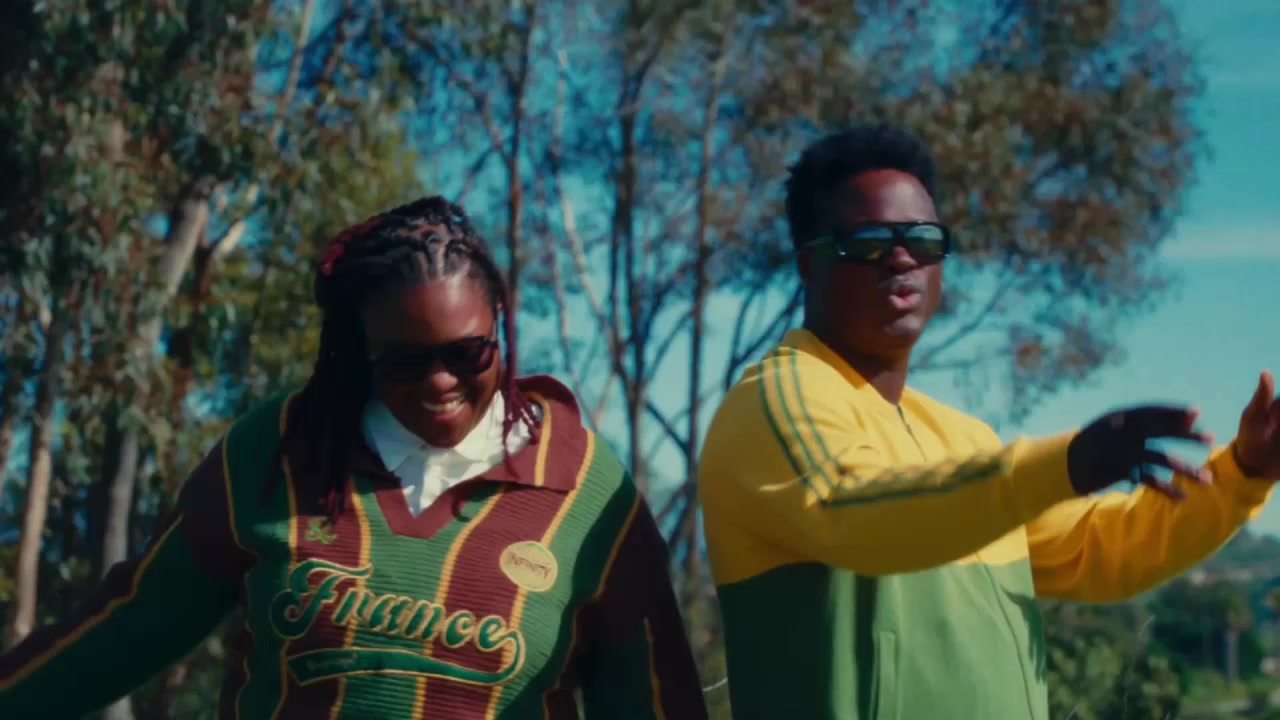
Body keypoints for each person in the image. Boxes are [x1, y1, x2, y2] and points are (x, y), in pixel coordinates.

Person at [0, 196, 708, 719]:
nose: (441, 381)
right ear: (357, 351)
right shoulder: (280, 451)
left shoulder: (586, 489)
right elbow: (125, 631)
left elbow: (654, 702)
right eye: (404, 361)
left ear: (499, 327)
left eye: (467, 352)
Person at [697, 124, 1280, 720]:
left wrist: (1245, 472)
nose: (901, 257)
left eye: (923, 240)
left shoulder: (960, 437)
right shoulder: (775, 400)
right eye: (868, 242)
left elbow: (1100, 549)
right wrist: (1065, 464)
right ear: (808, 264)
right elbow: (858, 511)